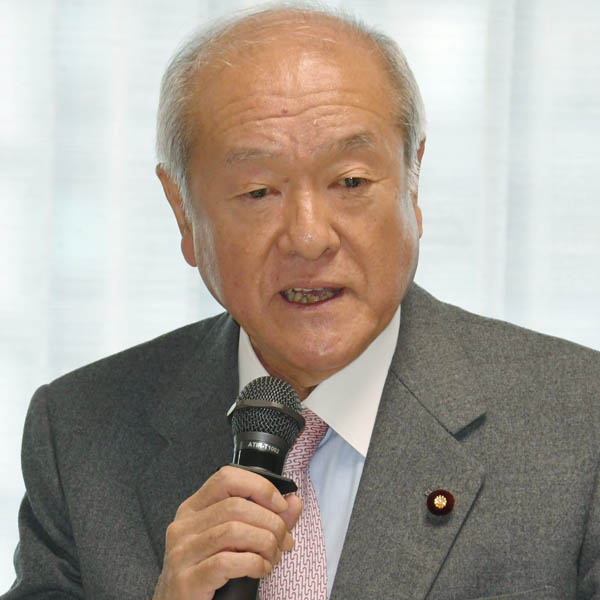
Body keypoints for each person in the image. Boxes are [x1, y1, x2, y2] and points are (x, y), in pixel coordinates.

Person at [3, 4, 600, 600]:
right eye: (259, 191)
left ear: (412, 182)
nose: (310, 237)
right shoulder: (80, 435)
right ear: (182, 211)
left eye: (351, 182)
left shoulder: (579, 423)